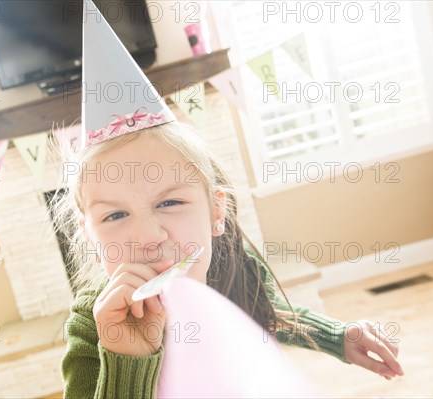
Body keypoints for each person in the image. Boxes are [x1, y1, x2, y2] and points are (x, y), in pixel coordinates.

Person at [57, 1, 403, 397]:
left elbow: (269, 316)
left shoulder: (232, 265)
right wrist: (126, 357)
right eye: (115, 214)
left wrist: (337, 336)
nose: (148, 236)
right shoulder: (91, 324)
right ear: (87, 235)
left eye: (169, 203)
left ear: (216, 212)